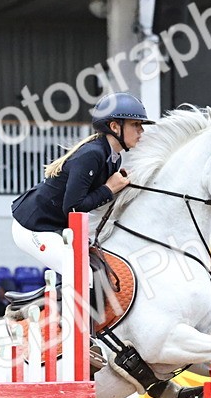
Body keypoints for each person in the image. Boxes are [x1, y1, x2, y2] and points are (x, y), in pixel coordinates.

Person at [10, 92, 153, 274]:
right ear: (115, 127)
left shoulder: (113, 157)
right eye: (136, 124)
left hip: (54, 226)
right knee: (80, 272)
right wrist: (109, 189)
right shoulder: (92, 154)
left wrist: (116, 188)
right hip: (33, 226)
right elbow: (73, 208)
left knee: (94, 270)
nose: (141, 131)